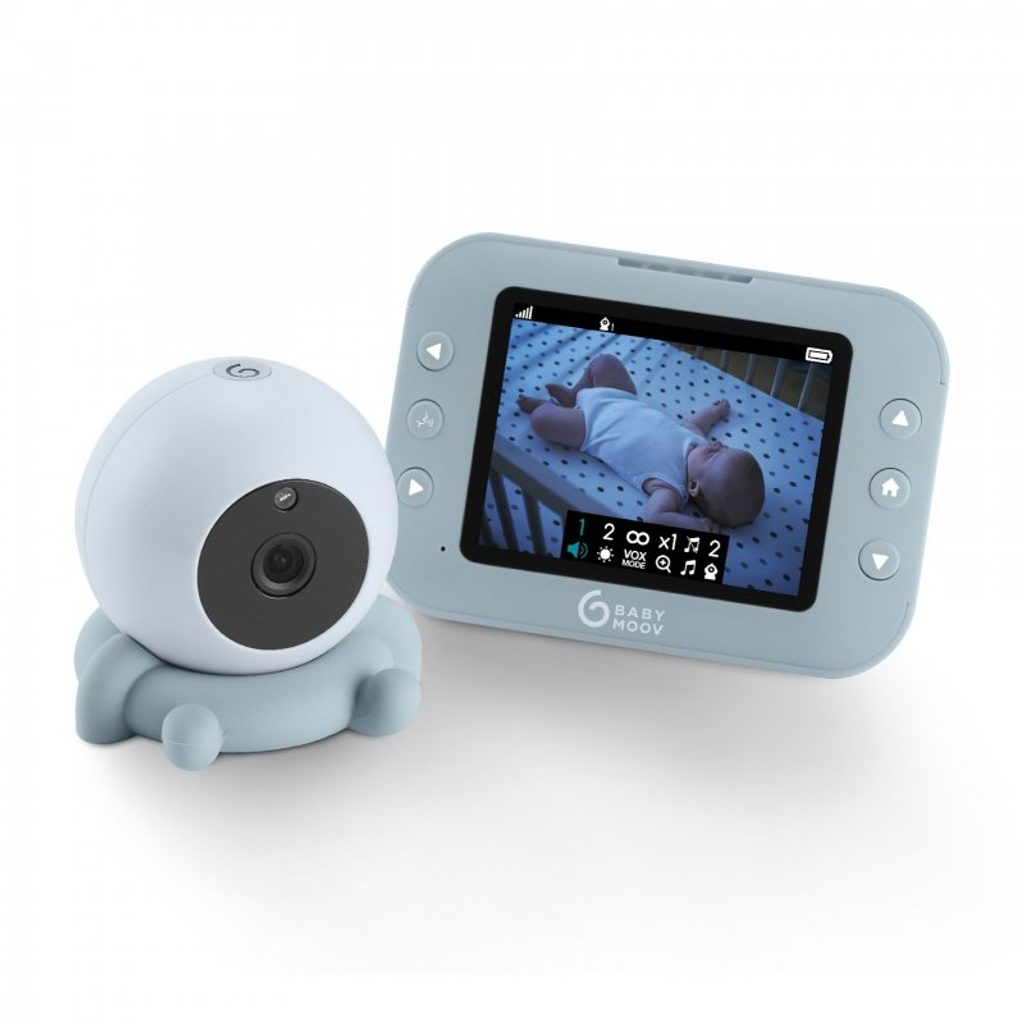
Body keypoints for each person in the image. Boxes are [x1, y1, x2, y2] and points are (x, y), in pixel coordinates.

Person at [516, 353, 765, 531]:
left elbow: (655, 517)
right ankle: (573, 396)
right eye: (724, 447)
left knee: (541, 420)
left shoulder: (670, 489)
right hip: (621, 398)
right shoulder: (695, 441)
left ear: (693, 486)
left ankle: (546, 407)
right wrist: (715, 412)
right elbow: (696, 423)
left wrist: (696, 526)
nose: (716, 444)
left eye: (714, 454)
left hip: (590, 427)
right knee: (605, 362)